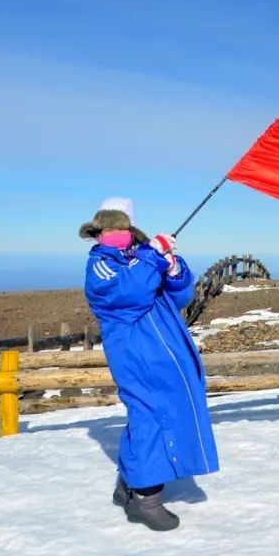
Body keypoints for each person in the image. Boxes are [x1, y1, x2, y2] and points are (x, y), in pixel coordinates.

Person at [79, 197, 219, 531]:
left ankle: (128, 484)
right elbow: (128, 295)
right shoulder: (101, 266)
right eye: (109, 228)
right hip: (138, 356)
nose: (116, 234)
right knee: (149, 417)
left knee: (163, 414)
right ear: (98, 232)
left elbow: (180, 295)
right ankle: (146, 497)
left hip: (166, 354)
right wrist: (152, 257)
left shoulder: (139, 259)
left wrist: (173, 268)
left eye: (121, 228)